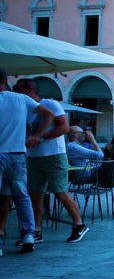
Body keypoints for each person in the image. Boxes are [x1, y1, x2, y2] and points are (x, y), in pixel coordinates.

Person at [13, 79, 89, 243]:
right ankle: (36, 231)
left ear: (28, 90)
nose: (15, 92)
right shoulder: (25, 109)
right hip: (34, 157)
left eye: (17, 89)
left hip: (54, 155)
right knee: (35, 195)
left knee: (60, 192)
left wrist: (39, 138)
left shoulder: (50, 104)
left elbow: (64, 128)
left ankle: (79, 224)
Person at [0, 68, 55, 253]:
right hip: (17, 154)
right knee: (22, 197)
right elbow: (49, 114)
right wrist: (37, 136)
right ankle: (29, 235)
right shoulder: (21, 99)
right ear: (5, 80)